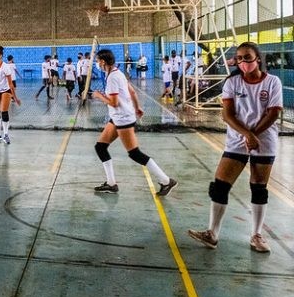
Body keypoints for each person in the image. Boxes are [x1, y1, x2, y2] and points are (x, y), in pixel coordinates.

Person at [188, 42, 283, 253]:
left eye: (247, 57)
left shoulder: (272, 82)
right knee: (220, 186)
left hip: (264, 141)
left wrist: (254, 135)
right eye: (239, 58)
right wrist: (246, 134)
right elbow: (227, 115)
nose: (243, 62)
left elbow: (274, 112)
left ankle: (256, 235)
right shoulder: (232, 83)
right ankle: (212, 233)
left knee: (259, 187)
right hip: (237, 141)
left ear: (258, 58)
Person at [91, 49, 177, 195]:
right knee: (100, 147)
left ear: (103, 62)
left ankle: (166, 181)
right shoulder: (117, 73)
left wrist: (99, 95)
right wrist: (137, 108)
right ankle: (111, 184)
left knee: (135, 154)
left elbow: (114, 102)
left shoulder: (112, 77)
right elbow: (132, 92)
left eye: (98, 60)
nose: (97, 63)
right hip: (118, 117)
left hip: (122, 119)